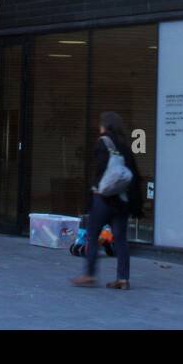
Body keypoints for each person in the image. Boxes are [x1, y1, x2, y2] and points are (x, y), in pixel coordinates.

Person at [70, 111, 142, 290]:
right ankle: (123, 278)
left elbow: (100, 169)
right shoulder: (125, 146)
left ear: (105, 126)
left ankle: (89, 275)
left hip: (103, 199)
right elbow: (134, 174)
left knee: (92, 235)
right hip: (122, 200)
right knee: (121, 239)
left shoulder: (104, 142)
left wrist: (95, 188)